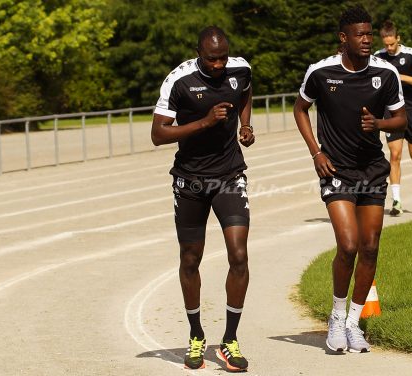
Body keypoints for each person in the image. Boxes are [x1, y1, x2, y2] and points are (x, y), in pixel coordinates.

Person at [293, 5, 406, 353]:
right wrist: (316, 152)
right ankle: (337, 317)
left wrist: (380, 125)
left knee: (370, 248)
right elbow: (300, 109)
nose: (368, 40)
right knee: (348, 244)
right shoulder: (321, 72)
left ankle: (355, 325)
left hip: (372, 168)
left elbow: (400, 119)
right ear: (344, 39)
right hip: (336, 169)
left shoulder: (386, 73)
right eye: (361, 34)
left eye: (370, 34)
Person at [150, 26, 254, 372]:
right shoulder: (179, 81)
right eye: (212, 59)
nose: (219, 64)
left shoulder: (240, 70)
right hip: (190, 180)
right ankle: (196, 335)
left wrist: (245, 125)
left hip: (229, 176)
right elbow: (158, 134)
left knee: (239, 255)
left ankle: (229, 339)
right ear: (198, 53)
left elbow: (246, 92)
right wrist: (205, 122)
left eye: (223, 56)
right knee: (191, 259)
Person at [374, 21, 412, 216]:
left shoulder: (411, 55)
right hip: (391, 111)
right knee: (395, 154)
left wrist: (399, 76)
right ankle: (396, 201)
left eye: (392, 44)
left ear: (398, 38)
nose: (389, 48)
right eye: (386, 44)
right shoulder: (378, 58)